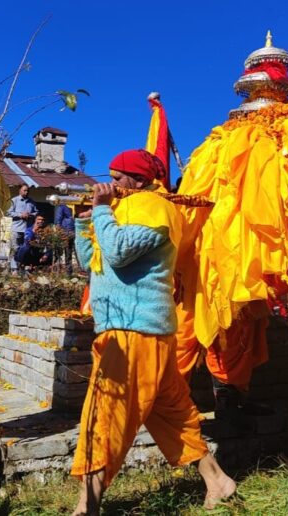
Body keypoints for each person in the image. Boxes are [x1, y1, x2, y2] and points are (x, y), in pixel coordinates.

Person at [70, 149, 235, 515]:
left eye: (117, 179)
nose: (110, 185)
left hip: (135, 331)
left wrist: (100, 209)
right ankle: (219, 482)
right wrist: (85, 223)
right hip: (131, 330)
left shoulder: (154, 207)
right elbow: (91, 261)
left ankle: (87, 505)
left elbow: (117, 252)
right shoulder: (124, 210)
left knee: (106, 413)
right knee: (172, 414)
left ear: (139, 181)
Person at [6, 184, 38, 272]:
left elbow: (36, 212)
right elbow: (8, 213)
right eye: (24, 190)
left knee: (25, 248)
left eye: (27, 190)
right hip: (16, 228)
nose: (26, 192)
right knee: (15, 248)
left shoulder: (32, 201)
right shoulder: (14, 200)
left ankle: (22, 267)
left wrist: (30, 215)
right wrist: (20, 215)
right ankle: (14, 269)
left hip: (27, 229)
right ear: (20, 191)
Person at [54, 202, 76, 273]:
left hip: (75, 230)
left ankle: (80, 270)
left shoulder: (77, 204)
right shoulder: (63, 206)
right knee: (68, 251)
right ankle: (68, 271)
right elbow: (58, 218)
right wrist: (59, 230)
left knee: (74, 251)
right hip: (67, 231)